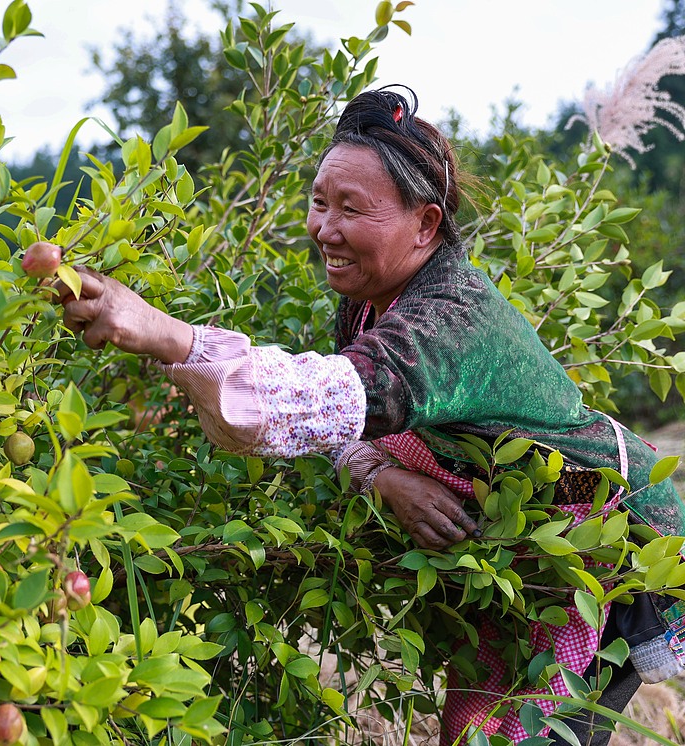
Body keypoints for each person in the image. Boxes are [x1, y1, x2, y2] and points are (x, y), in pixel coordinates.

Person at [55, 86, 685, 745]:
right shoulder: (370, 297)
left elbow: (319, 399)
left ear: (424, 224)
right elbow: (337, 423)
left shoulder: (450, 322)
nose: (324, 228)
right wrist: (380, 476)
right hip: (520, 529)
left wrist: (169, 335)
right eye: (319, 202)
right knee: (479, 722)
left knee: (533, 729)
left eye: (351, 208)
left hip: (597, 533)